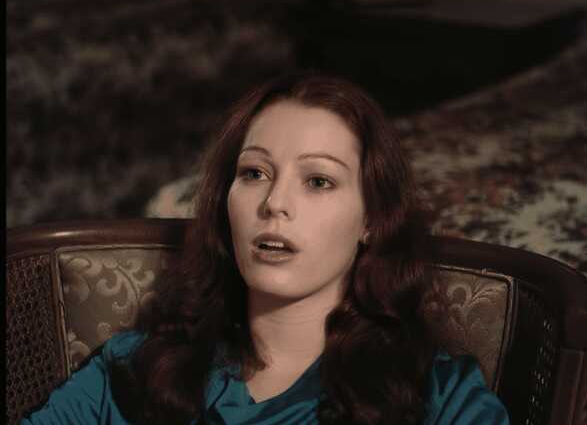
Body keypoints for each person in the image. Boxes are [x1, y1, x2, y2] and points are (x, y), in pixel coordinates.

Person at [22, 72, 509, 424]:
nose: (274, 203)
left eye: (318, 181)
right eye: (254, 173)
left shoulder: (439, 396)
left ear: (371, 220)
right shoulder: (133, 368)